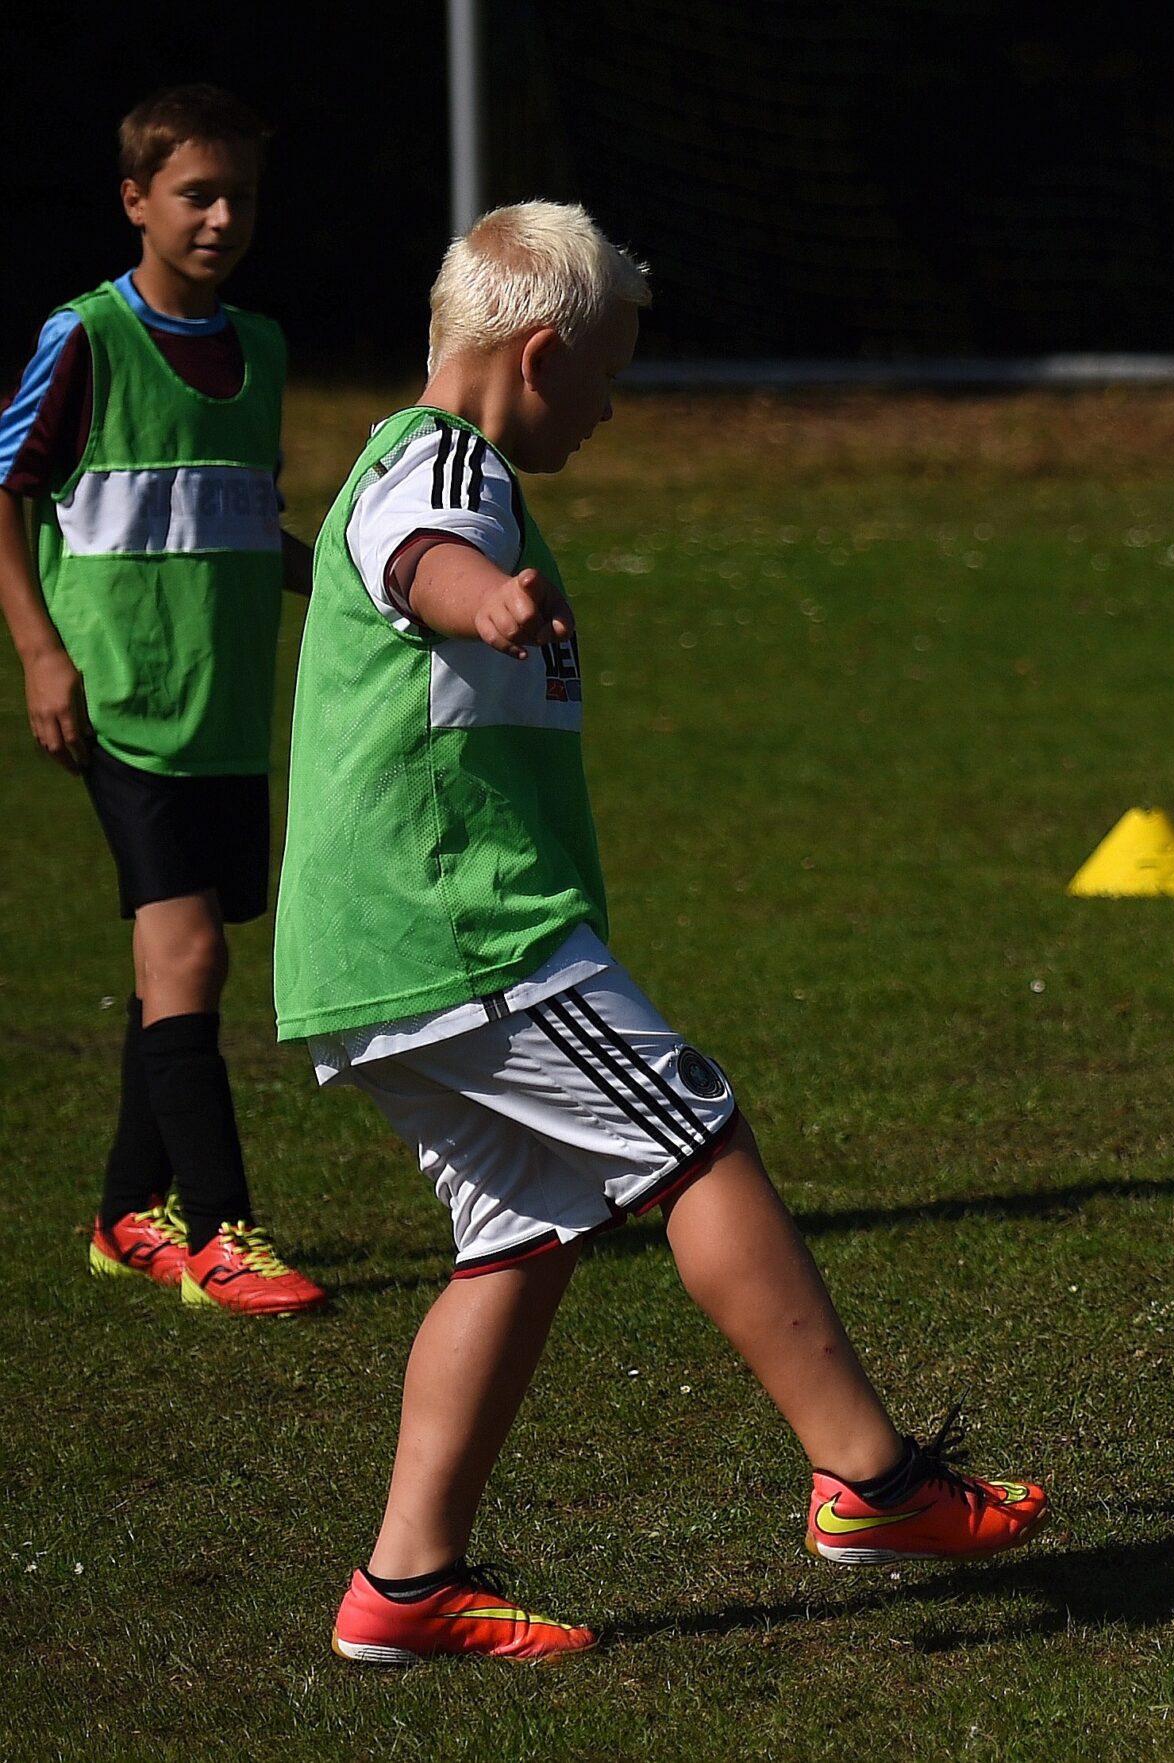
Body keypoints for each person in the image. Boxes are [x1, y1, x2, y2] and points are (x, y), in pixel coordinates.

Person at [277, 203, 1048, 1664]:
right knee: (693, 1131)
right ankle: (870, 1478)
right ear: (543, 352)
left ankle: (406, 1582)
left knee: (520, 1236)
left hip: (373, 951)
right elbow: (411, 554)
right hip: (463, 923)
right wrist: (480, 593)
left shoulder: (446, 461)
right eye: (610, 375)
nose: (615, 408)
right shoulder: (443, 460)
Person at [0, 84, 326, 1314]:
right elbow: (7, 485)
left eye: (240, 193)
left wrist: (361, 587)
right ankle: (224, 1233)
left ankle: (127, 1213)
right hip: (122, 705)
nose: (222, 215)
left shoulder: (267, 348)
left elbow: (238, 521)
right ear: (135, 199)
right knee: (183, 950)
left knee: (182, 967)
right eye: (195, 193)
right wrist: (41, 651)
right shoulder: (84, 336)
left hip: (226, 708)